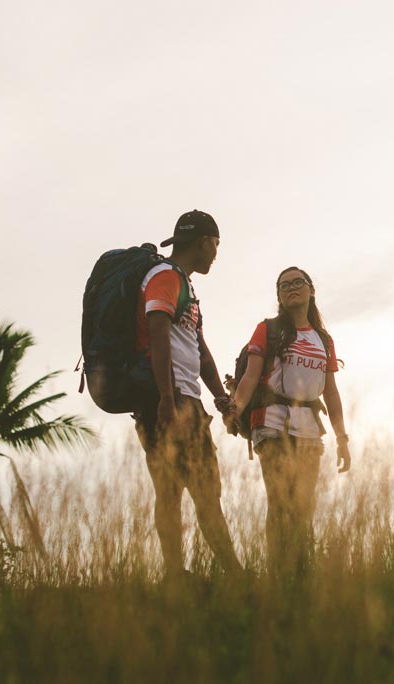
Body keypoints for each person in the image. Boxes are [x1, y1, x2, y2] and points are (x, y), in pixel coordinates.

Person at [133, 209, 242, 578]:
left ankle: (184, 575)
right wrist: (167, 398)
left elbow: (199, 348)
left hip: (183, 398)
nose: (216, 253)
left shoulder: (185, 286)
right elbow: (158, 331)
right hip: (170, 400)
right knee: (191, 490)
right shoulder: (164, 277)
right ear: (203, 242)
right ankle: (221, 574)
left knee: (191, 490)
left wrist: (219, 397)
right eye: (216, 245)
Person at [227, 266, 351, 580]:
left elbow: (331, 393)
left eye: (298, 282)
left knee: (304, 506)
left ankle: (299, 574)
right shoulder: (267, 330)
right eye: (284, 285)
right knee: (281, 502)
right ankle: (279, 575)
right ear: (279, 296)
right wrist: (234, 410)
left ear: (311, 290)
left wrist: (342, 439)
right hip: (271, 424)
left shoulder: (324, 340)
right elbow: (251, 378)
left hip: (310, 430)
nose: (291, 288)